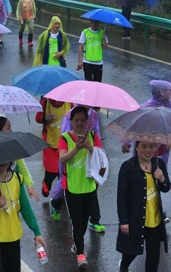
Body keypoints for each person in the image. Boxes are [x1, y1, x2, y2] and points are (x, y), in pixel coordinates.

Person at [57, 106, 105, 269]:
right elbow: (63, 159)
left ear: (87, 122)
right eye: (76, 120)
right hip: (72, 187)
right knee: (77, 221)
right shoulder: (65, 138)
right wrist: (77, 148)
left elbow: (101, 157)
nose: (79, 123)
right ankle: (80, 252)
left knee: (84, 221)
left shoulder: (93, 136)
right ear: (71, 121)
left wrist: (90, 147)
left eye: (82, 120)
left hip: (89, 187)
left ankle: (77, 244)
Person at [116, 141, 171, 272]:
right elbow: (121, 197)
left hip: (155, 220)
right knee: (131, 251)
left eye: (152, 146)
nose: (148, 150)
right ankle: (124, 265)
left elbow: (166, 187)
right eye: (144, 146)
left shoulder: (159, 164)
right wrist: (124, 221)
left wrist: (162, 179)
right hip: (136, 219)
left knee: (153, 257)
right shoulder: (128, 167)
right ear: (137, 148)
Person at [121, 81, 171, 164]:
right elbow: (134, 126)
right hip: (145, 149)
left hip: (161, 151)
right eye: (169, 90)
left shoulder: (169, 106)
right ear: (162, 92)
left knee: (158, 173)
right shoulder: (146, 108)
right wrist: (126, 143)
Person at [36, 97, 73, 201]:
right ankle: (46, 183)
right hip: (49, 142)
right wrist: (44, 118)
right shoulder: (45, 102)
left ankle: (59, 194)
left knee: (62, 170)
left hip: (65, 143)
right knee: (52, 170)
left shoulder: (69, 102)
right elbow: (38, 118)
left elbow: (75, 117)